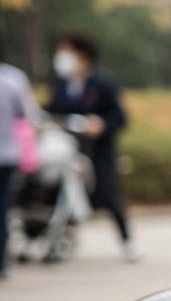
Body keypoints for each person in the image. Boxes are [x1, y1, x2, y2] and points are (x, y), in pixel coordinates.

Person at [44, 30, 137, 261]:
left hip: (99, 150)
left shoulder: (102, 83)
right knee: (56, 193)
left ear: (82, 54)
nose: (61, 56)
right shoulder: (61, 83)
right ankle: (55, 241)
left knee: (105, 194)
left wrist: (101, 124)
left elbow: (120, 116)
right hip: (67, 149)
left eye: (65, 51)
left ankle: (128, 242)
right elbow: (52, 109)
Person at [0, 70, 27, 279]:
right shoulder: (12, 79)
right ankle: (1, 262)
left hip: (6, 155)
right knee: (2, 209)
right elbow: (26, 114)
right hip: (6, 155)